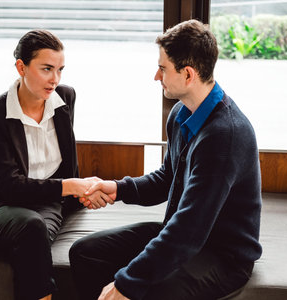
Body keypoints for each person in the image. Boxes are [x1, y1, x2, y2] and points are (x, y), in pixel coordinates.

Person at [69, 19, 262, 300]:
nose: (156, 77)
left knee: (158, 289)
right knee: (86, 253)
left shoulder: (224, 136)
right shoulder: (182, 113)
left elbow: (189, 230)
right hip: (187, 236)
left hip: (222, 255)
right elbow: (167, 178)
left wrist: (125, 283)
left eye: (162, 68)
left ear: (188, 74)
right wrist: (118, 189)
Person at [0, 30, 112, 300]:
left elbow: (67, 165)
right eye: (46, 69)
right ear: (21, 67)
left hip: (44, 202)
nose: (55, 79)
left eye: (60, 69)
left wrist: (82, 191)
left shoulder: (65, 97)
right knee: (32, 228)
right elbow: (10, 186)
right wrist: (71, 186)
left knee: (34, 230)